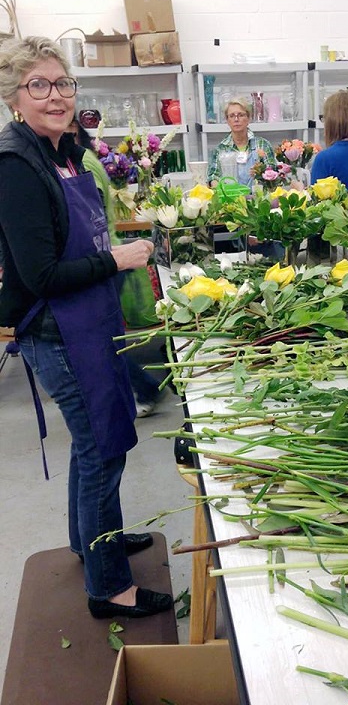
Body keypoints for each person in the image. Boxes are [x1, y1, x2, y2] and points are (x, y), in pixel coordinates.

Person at [0, 36, 173, 619]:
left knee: (94, 442)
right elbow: (43, 274)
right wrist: (118, 260)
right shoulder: (15, 165)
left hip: (88, 318)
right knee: (102, 450)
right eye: (39, 86)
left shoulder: (63, 149)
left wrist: (111, 250)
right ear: (14, 97)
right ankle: (108, 587)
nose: (56, 96)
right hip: (55, 328)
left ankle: (88, 539)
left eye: (63, 83)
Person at [66, 119, 165, 418]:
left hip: (104, 260)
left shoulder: (82, 162)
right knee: (101, 341)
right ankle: (141, 389)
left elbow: (87, 217)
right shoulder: (77, 160)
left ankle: (144, 388)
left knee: (100, 342)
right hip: (103, 259)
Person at [207, 97, 276, 188]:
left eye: (241, 115)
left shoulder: (263, 145)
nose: (236, 119)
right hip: (230, 199)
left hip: (258, 199)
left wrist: (260, 172)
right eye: (232, 116)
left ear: (248, 118)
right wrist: (218, 187)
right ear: (227, 121)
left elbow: (273, 175)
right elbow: (213, 176)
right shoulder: (221, 149)